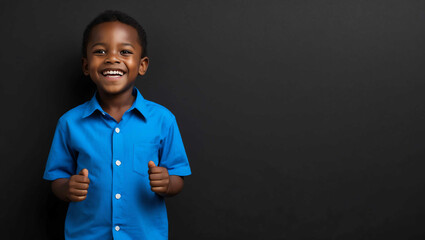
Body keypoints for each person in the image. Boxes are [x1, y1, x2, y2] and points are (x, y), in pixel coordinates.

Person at [43, 10, 191, 240]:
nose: (112, 58)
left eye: (125, 51)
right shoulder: (69, 123)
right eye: (100, 51)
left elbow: (178, 178)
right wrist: (67, 188)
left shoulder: (163, 120)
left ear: (142, 65)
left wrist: (167, 183)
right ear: (85, 65)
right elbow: (57, 179)